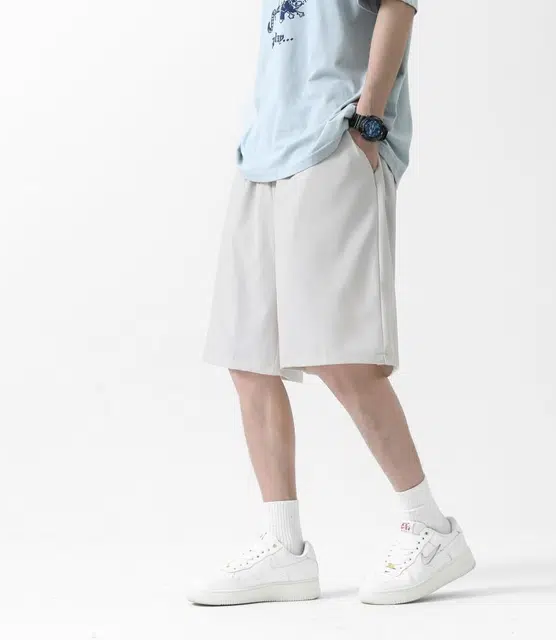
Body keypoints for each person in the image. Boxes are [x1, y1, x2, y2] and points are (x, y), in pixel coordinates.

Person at [188, 0, 475, 606]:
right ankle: (284, 547)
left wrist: (368, 121)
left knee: (340, 353)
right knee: (249, 357)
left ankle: (430, 526)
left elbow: (398, 6)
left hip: (333, 139)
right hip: (264, 150)